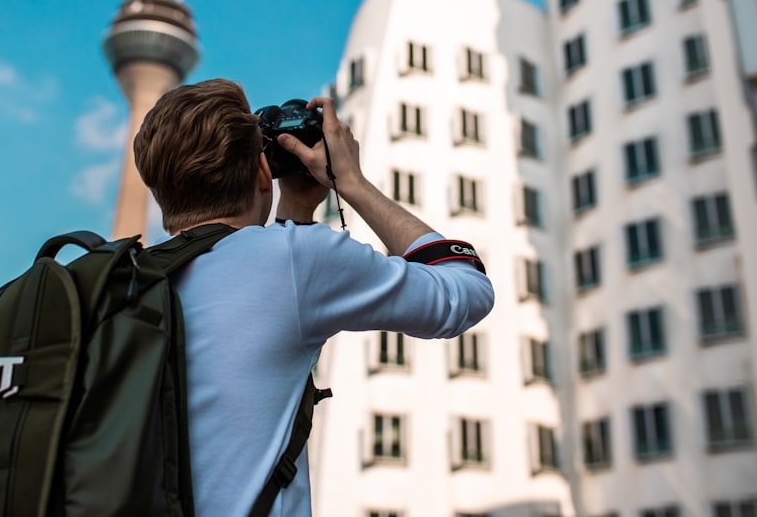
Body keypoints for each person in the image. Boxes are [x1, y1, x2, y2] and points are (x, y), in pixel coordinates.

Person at [133, 78, 494, 516]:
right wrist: (353, 182)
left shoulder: (125, 280)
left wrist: (297, 213)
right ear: (263, 173)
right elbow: (466, 292)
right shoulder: (294, 260)